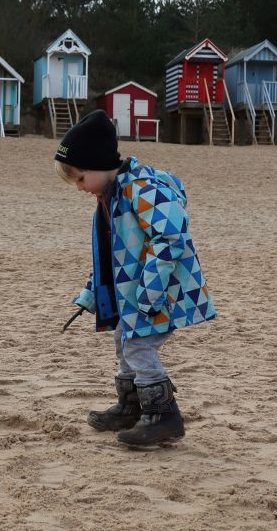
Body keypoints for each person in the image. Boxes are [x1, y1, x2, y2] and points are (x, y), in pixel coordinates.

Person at [55, 110, 216, 446]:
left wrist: (150, 291)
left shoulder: (141, 190)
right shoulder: (111, 199)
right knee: (123, 342)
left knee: (138, 346)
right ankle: (131, 405)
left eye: (80, 178)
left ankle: (163, 414)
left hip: (161, 291)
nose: (79, 188)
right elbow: (111, 258)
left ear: (98, 165)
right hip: (137, 293)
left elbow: (172, 235)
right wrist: (89, 296)